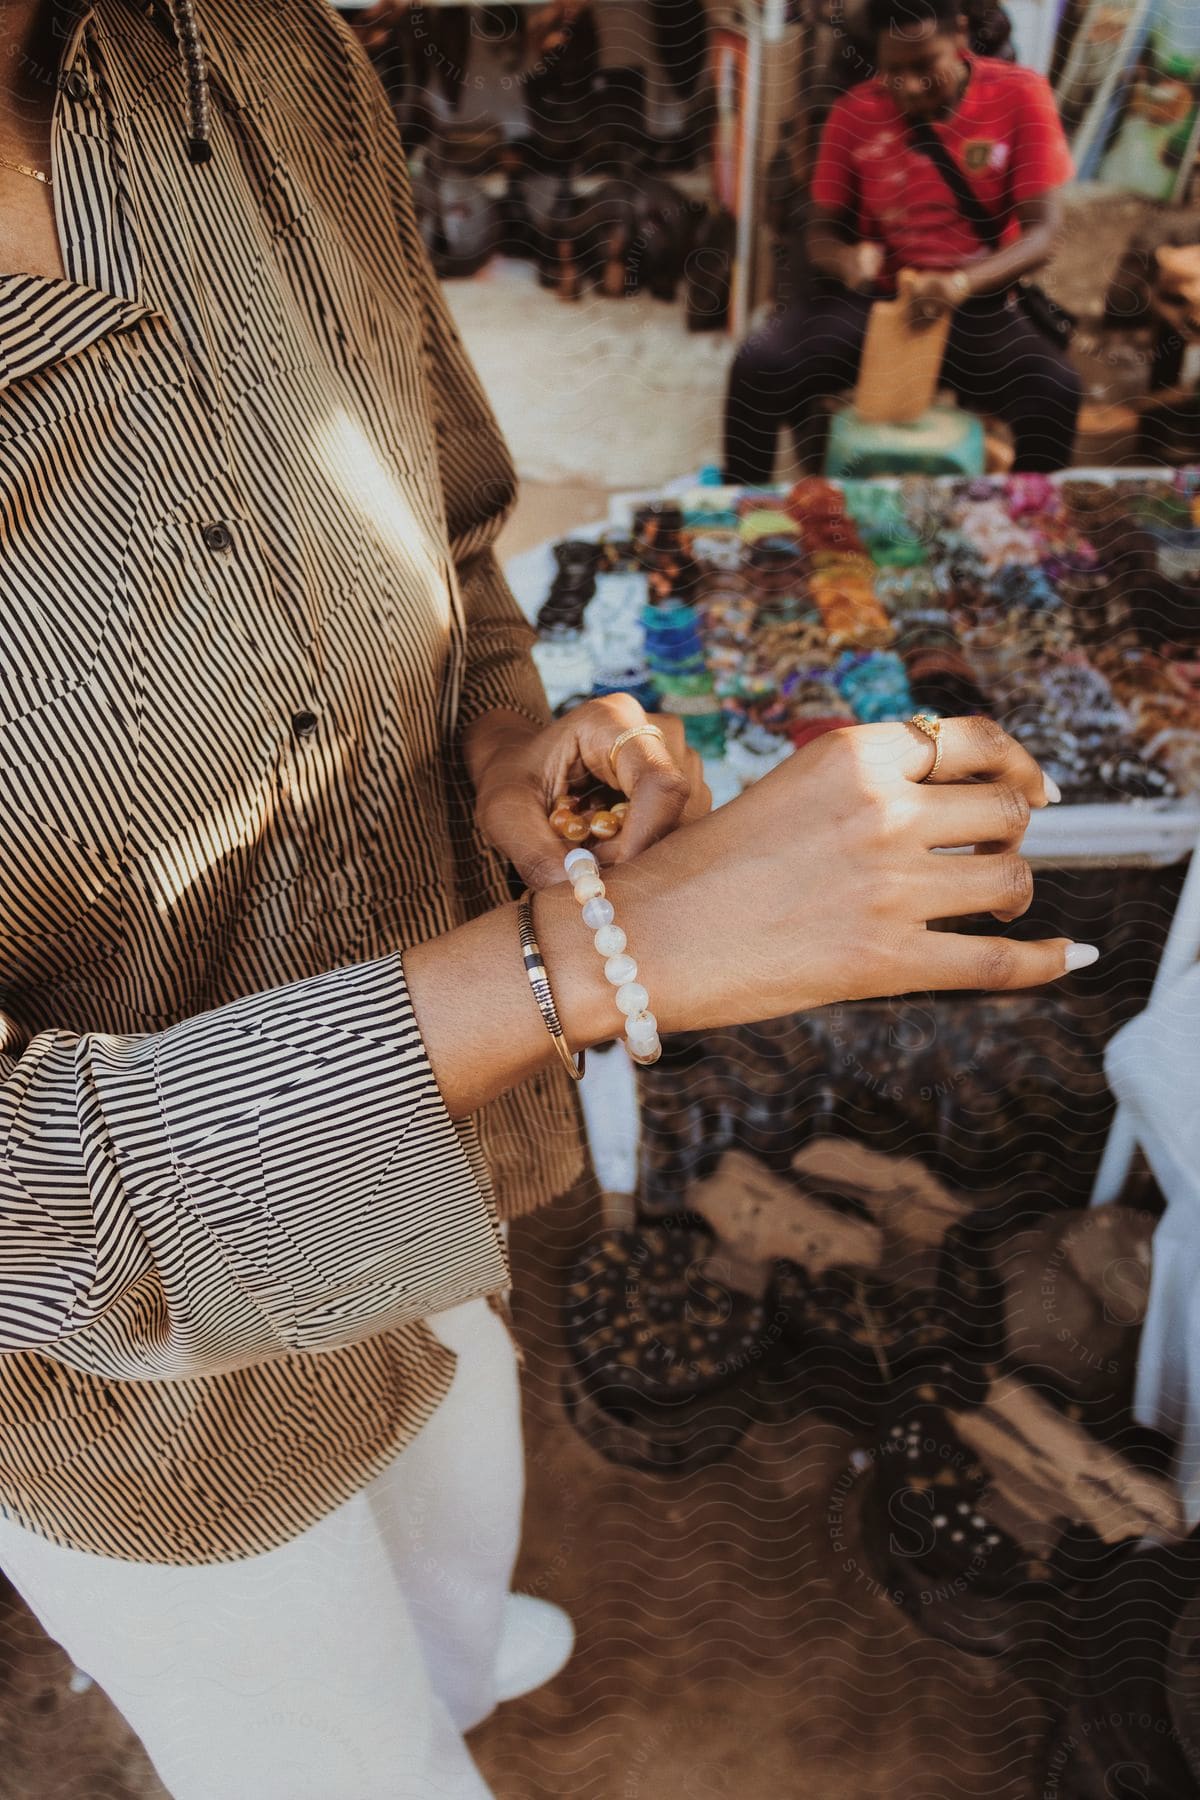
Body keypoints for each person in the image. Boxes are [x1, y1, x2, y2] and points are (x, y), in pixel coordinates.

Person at [0, 2, 1094, 1795]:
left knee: (454, 1503)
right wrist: (597, 958)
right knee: (321, 1747)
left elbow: (445, 521)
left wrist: (507, 737)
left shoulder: (258, 53)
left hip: (436, 1164)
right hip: (128, 1397)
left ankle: (446, 1655)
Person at [724, 0, 1082, 483]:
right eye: (894, 71)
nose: (909, 87)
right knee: (758, 367)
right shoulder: (854, 114)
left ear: (959, 34)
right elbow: (820, 235)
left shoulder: (1019, 94)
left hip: (973, 302)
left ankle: (1020, 524)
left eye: (924, 67)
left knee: (1055, 390)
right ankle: (744, 520)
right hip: (882, 301)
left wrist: (958, 285)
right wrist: (848, 260)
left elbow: (1044, 233)